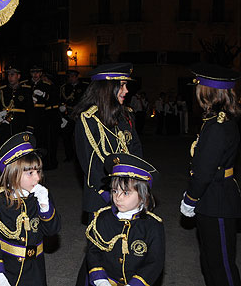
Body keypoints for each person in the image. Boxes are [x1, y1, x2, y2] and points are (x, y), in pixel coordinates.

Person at [72, 62, 143, 286]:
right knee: (99, 254)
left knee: (124, 254)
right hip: (103, 197)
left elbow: (137, 153)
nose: (126, 91)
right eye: (121, 86)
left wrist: (138, 192)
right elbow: (91, 166)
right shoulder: (88, 119)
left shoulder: (126, 116)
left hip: (130, 195)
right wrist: (113, 198)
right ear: (106, 89)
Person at [179, 63, 241, 286]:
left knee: (221, 267)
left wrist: (190, 199)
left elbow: (205, 171)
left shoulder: (217, 125)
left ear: (207, 91)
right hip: (213, 199)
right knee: (209, 262)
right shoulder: (215, 120)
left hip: (217, 201)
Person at [0, 131, 60, 286]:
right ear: (13, 173)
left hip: (36, 267)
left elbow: (52, 231)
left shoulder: (40, 196)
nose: (37, 178)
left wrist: (45, 206)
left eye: (38, 171)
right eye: (30, 173)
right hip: (10, 269)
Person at [86, 153, 164, 286]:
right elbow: (93, 252)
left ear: (143, 195)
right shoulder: (102, 218)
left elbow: (154, 262)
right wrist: (100, 280)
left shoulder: (153, 225)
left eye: (126, 193)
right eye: (115, 191)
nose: (118, 197)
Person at [0, 65, 32, 153]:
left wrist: (29, 127)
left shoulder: (26, 90)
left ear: (18, 76)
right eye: (8, 75)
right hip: (5, 124)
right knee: (4, 147)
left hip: (20, 123)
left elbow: (30, 109)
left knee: (19, 148)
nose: (10, 77)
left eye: (12, 75)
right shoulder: (2, 90)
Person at [59, 69, 87, 163]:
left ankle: (80, 156)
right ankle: (69, 155)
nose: (70, 78)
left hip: (79, 114)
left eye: (72, 76)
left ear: (77, 76)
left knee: (80, 136)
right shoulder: (65, 87)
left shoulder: (84, 87)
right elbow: (62, 99)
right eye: (69, 76)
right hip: (68, 114)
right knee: (66, 136)